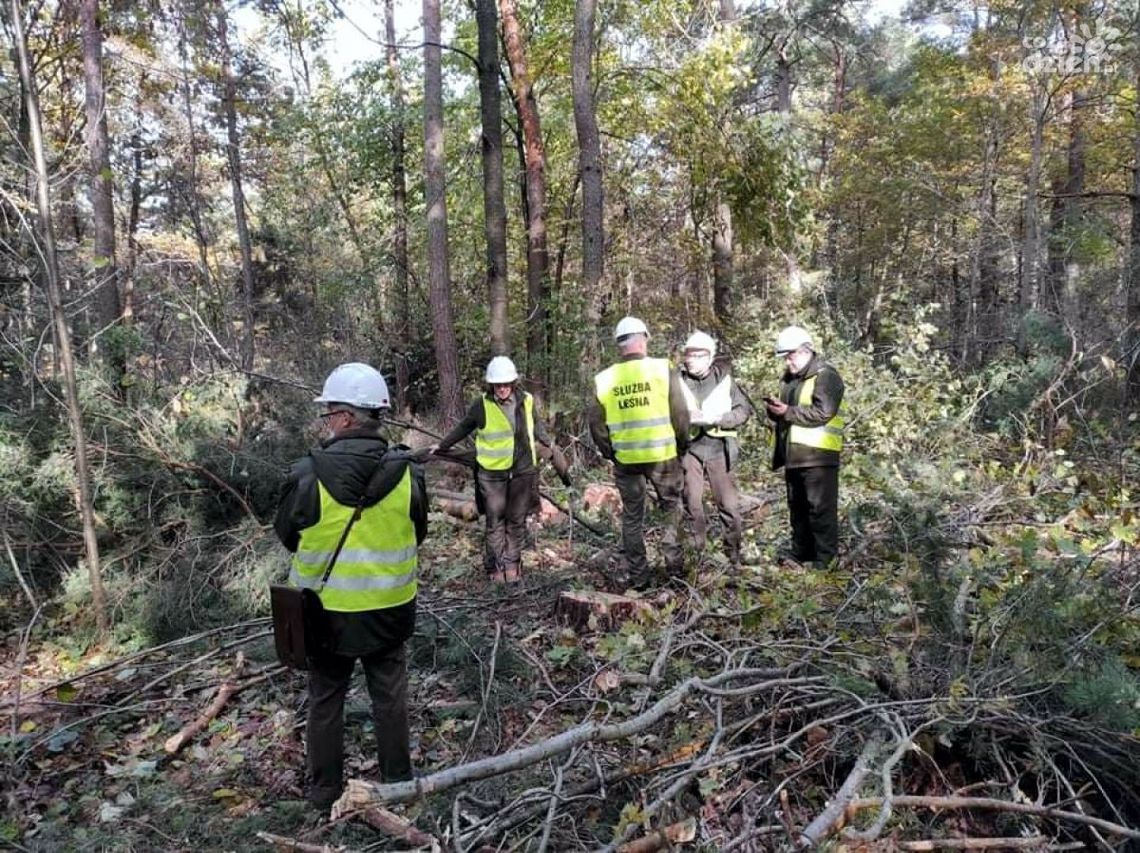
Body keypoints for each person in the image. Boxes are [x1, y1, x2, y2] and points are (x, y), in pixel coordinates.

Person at [274, 362, 427, 812]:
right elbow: (418, 531)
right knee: (391, 698)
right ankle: (397, 783)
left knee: (325, 700)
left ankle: (323, 794)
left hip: (324, 614)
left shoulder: (306, 472)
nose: (325, 422)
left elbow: (287, 535)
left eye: (328, 413)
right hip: (390, 609)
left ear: (344, 417)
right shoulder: (409, 472)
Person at [433, 356, 570, 583]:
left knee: (516, 520)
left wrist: (550, 446)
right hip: (492, 473)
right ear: (491, 385)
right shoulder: (482, 405)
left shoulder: (526, 400)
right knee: (495, 521)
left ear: (513, 382)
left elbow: (537, 427)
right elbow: (463, 427)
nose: (503, 388)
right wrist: (442, 446)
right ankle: (495, 568)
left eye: (506, 383)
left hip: (522, 471)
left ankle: (512, 565)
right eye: (498, 384)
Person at [588, 317, 689, 590]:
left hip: (627, 460)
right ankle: (675, 573)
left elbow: (596, 425)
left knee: (633, 517)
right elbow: (680, 414)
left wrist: (612, 452)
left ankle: (640, 578)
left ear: (619, 345)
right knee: (671, 509)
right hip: (663, 456)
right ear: (643, 339)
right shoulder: (661, 369)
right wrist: (682, 446)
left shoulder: (605, 378)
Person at [765, 326, 846, 569]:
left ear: (805, 351)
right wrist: (776, 412)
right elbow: (789, 414)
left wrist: (787, 412)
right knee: (797, 511)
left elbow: (824, 412)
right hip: (794, 456)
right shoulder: (790, 379)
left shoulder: (826, 375)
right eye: (785, 357)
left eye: (790, 355)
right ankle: (800, 554)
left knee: (820, 512)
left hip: (819, 457)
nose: (787, 361)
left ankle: (825, 562)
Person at [678, 330, 752, 569]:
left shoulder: (725, 380)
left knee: (729, 505)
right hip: (689, 449)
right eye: (689, 354)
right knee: (692, 503)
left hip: (719, 449)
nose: (692, 359)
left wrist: (720, 418)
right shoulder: (675, 380)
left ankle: (733, 557)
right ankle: (695, 557)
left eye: (698, 355)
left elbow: (743, 412)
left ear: (710, 357)